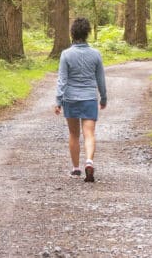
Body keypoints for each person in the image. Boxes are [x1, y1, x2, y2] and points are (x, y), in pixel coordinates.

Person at [53, 17, 107, 182]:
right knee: (89, 133)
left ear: (73, 33)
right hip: (90, 98)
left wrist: (58, 101)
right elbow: (101, 79)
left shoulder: (66, 54)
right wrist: (103, 97)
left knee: (74, 134)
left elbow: (62, 79)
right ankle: (89, 161)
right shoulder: (96, 54)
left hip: (71, 98)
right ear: (87, 33)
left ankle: (76, 169)